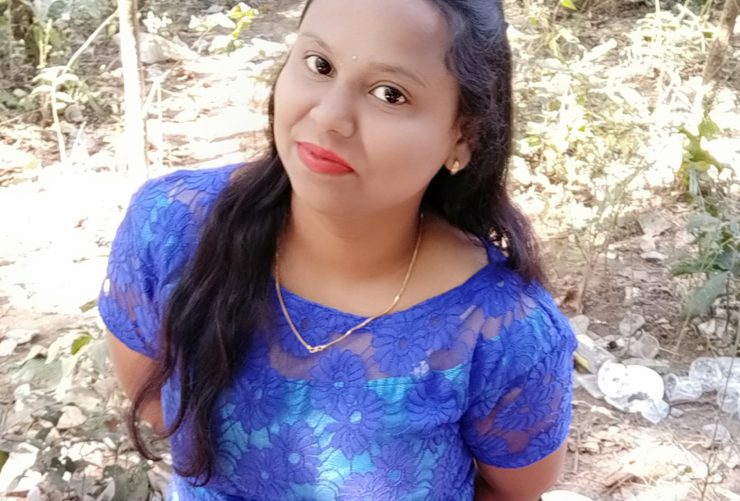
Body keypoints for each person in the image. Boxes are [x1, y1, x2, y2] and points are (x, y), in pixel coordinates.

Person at [99, 0, 577, 499]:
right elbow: (158, 408)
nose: (329, 116)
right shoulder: (171, 229)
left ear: (463, 134)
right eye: (319, 65)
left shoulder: (503, 332)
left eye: (390, 94)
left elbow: (512, 491)